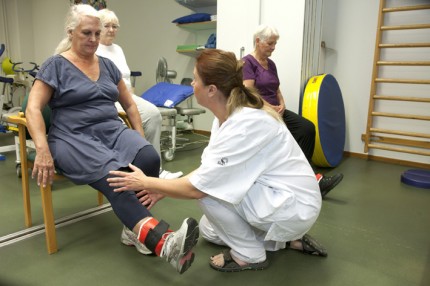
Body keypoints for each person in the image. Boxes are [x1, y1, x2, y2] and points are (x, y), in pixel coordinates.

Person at [108, 49, 327, 273]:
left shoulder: (245, 123)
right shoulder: (226, 116)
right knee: (209, 230)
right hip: (277, 195)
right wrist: (164, 189)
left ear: (211, 90)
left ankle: (249, 255)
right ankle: (282, 241)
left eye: (195, 79)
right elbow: (210, 170)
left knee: (209, 193)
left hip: (295, 205)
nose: (192, 84)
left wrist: (145, 183)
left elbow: (199, 186)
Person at [25, 4, 198, 274]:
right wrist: (43, 149)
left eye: (97, 32)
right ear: (71, 32)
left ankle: (133, 230)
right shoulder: (55, 65)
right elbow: (33, 108)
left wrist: (138, 138)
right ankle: (163, 242)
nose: (94, 39)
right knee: (117, 176)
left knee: (148, 156)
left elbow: (129, 105)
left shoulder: (107, 65)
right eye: (87, 33)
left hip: (110, 130)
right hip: (73, 137)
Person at [242, 24, 343, 198]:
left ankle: (300, 179)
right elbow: (249, 92)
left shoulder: (271, 64)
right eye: (270, 44)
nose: (273, 48)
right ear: (258, 41)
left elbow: (277, 88)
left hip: (276, 110)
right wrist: (268, 106)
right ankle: (311, 181)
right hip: (259, 111)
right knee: (284, 140)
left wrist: (282, 103)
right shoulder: (247, 62)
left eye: (275, 44)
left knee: (307, 129)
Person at [96, 8, 182, 180]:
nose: (112, 30)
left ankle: (154, 170)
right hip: (108, 97)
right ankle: (129, 170)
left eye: (115, 26)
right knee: (119, 124)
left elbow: (127, 79)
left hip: (127, 95)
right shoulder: (94, 49)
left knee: (154, 115)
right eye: (107, 26)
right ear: (98, 27)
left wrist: (134, 100)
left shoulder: (118, 49)